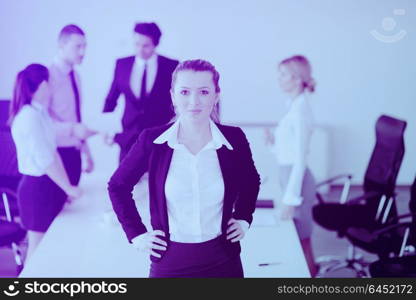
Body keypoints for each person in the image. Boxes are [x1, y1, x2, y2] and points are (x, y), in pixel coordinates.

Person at [108, 59, 260, 277]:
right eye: (185, 92)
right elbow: (117, 186)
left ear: (216, 96)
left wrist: (244, 217)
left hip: (223, 259)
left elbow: (251, 180)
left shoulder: (234, 138)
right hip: (170, 260)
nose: (194, 101)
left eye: (204, 92)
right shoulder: (152, 140)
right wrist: (137, 234)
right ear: (173, 96)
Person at [9, 64, 82, 260]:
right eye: (49, 83)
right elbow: (45, 160)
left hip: (48, 186)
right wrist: (68, 188)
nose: (52, 87)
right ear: (42, 86)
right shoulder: (28, 117)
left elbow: (53, 153)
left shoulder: (41, 113)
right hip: (35, 190)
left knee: (50, 246)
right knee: (37, 247)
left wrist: (67, 186)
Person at [264, 55, 318, 277]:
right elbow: (288, 152)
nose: (279, 78)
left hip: (297, 180)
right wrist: (272, 144)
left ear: (297, 79)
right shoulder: (293, 105)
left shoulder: (300, 111)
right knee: (298, 238)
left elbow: (300, 160)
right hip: (287, 174)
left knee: (301, 239)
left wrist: (290, 199)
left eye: (283, 74)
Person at [102, 22, 179, 162]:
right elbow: (111, 100)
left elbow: (177, 102)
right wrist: (106, 129)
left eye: (146, 46)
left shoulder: (171, 66)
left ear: (155, 44)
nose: (140, 50)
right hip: (128, 138)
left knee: (158, 181)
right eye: (137, 44)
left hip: (159, 137)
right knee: (123, 181)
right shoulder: (122, 64)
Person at [48, 24, 96, 186]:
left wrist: (86, 152)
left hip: (74, 152)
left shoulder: (75, 76)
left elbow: (76, 117)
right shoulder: (46, 77)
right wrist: (72, 130)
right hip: (56, 154)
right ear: (61, 45)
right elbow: (43, 123)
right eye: (78, 47)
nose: (83, 52)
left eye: (85, 46)